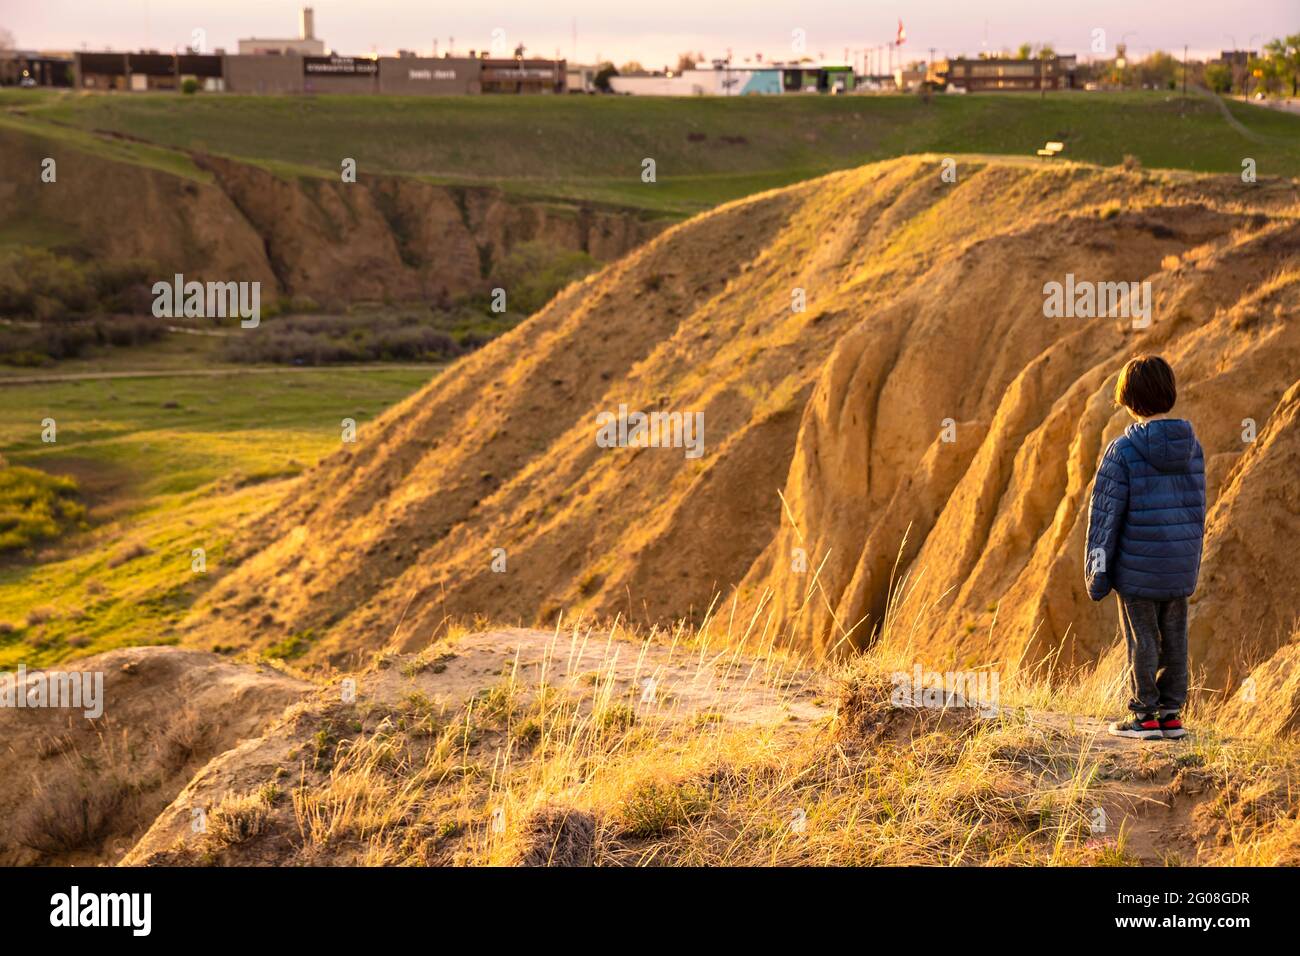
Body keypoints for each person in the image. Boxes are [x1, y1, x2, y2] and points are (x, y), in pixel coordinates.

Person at [1084, 355, 1206, 740]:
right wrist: (1189, 558)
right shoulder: (1192, 447)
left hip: (1137, 568)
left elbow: (1105, 518)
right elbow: (1197, 507)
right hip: (1178, 564)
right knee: (1176, 638)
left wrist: (1097, 575)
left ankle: (1144, 715)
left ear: (1129, 400)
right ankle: (1171, 714)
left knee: (1143, 638)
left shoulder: (1122, 451)